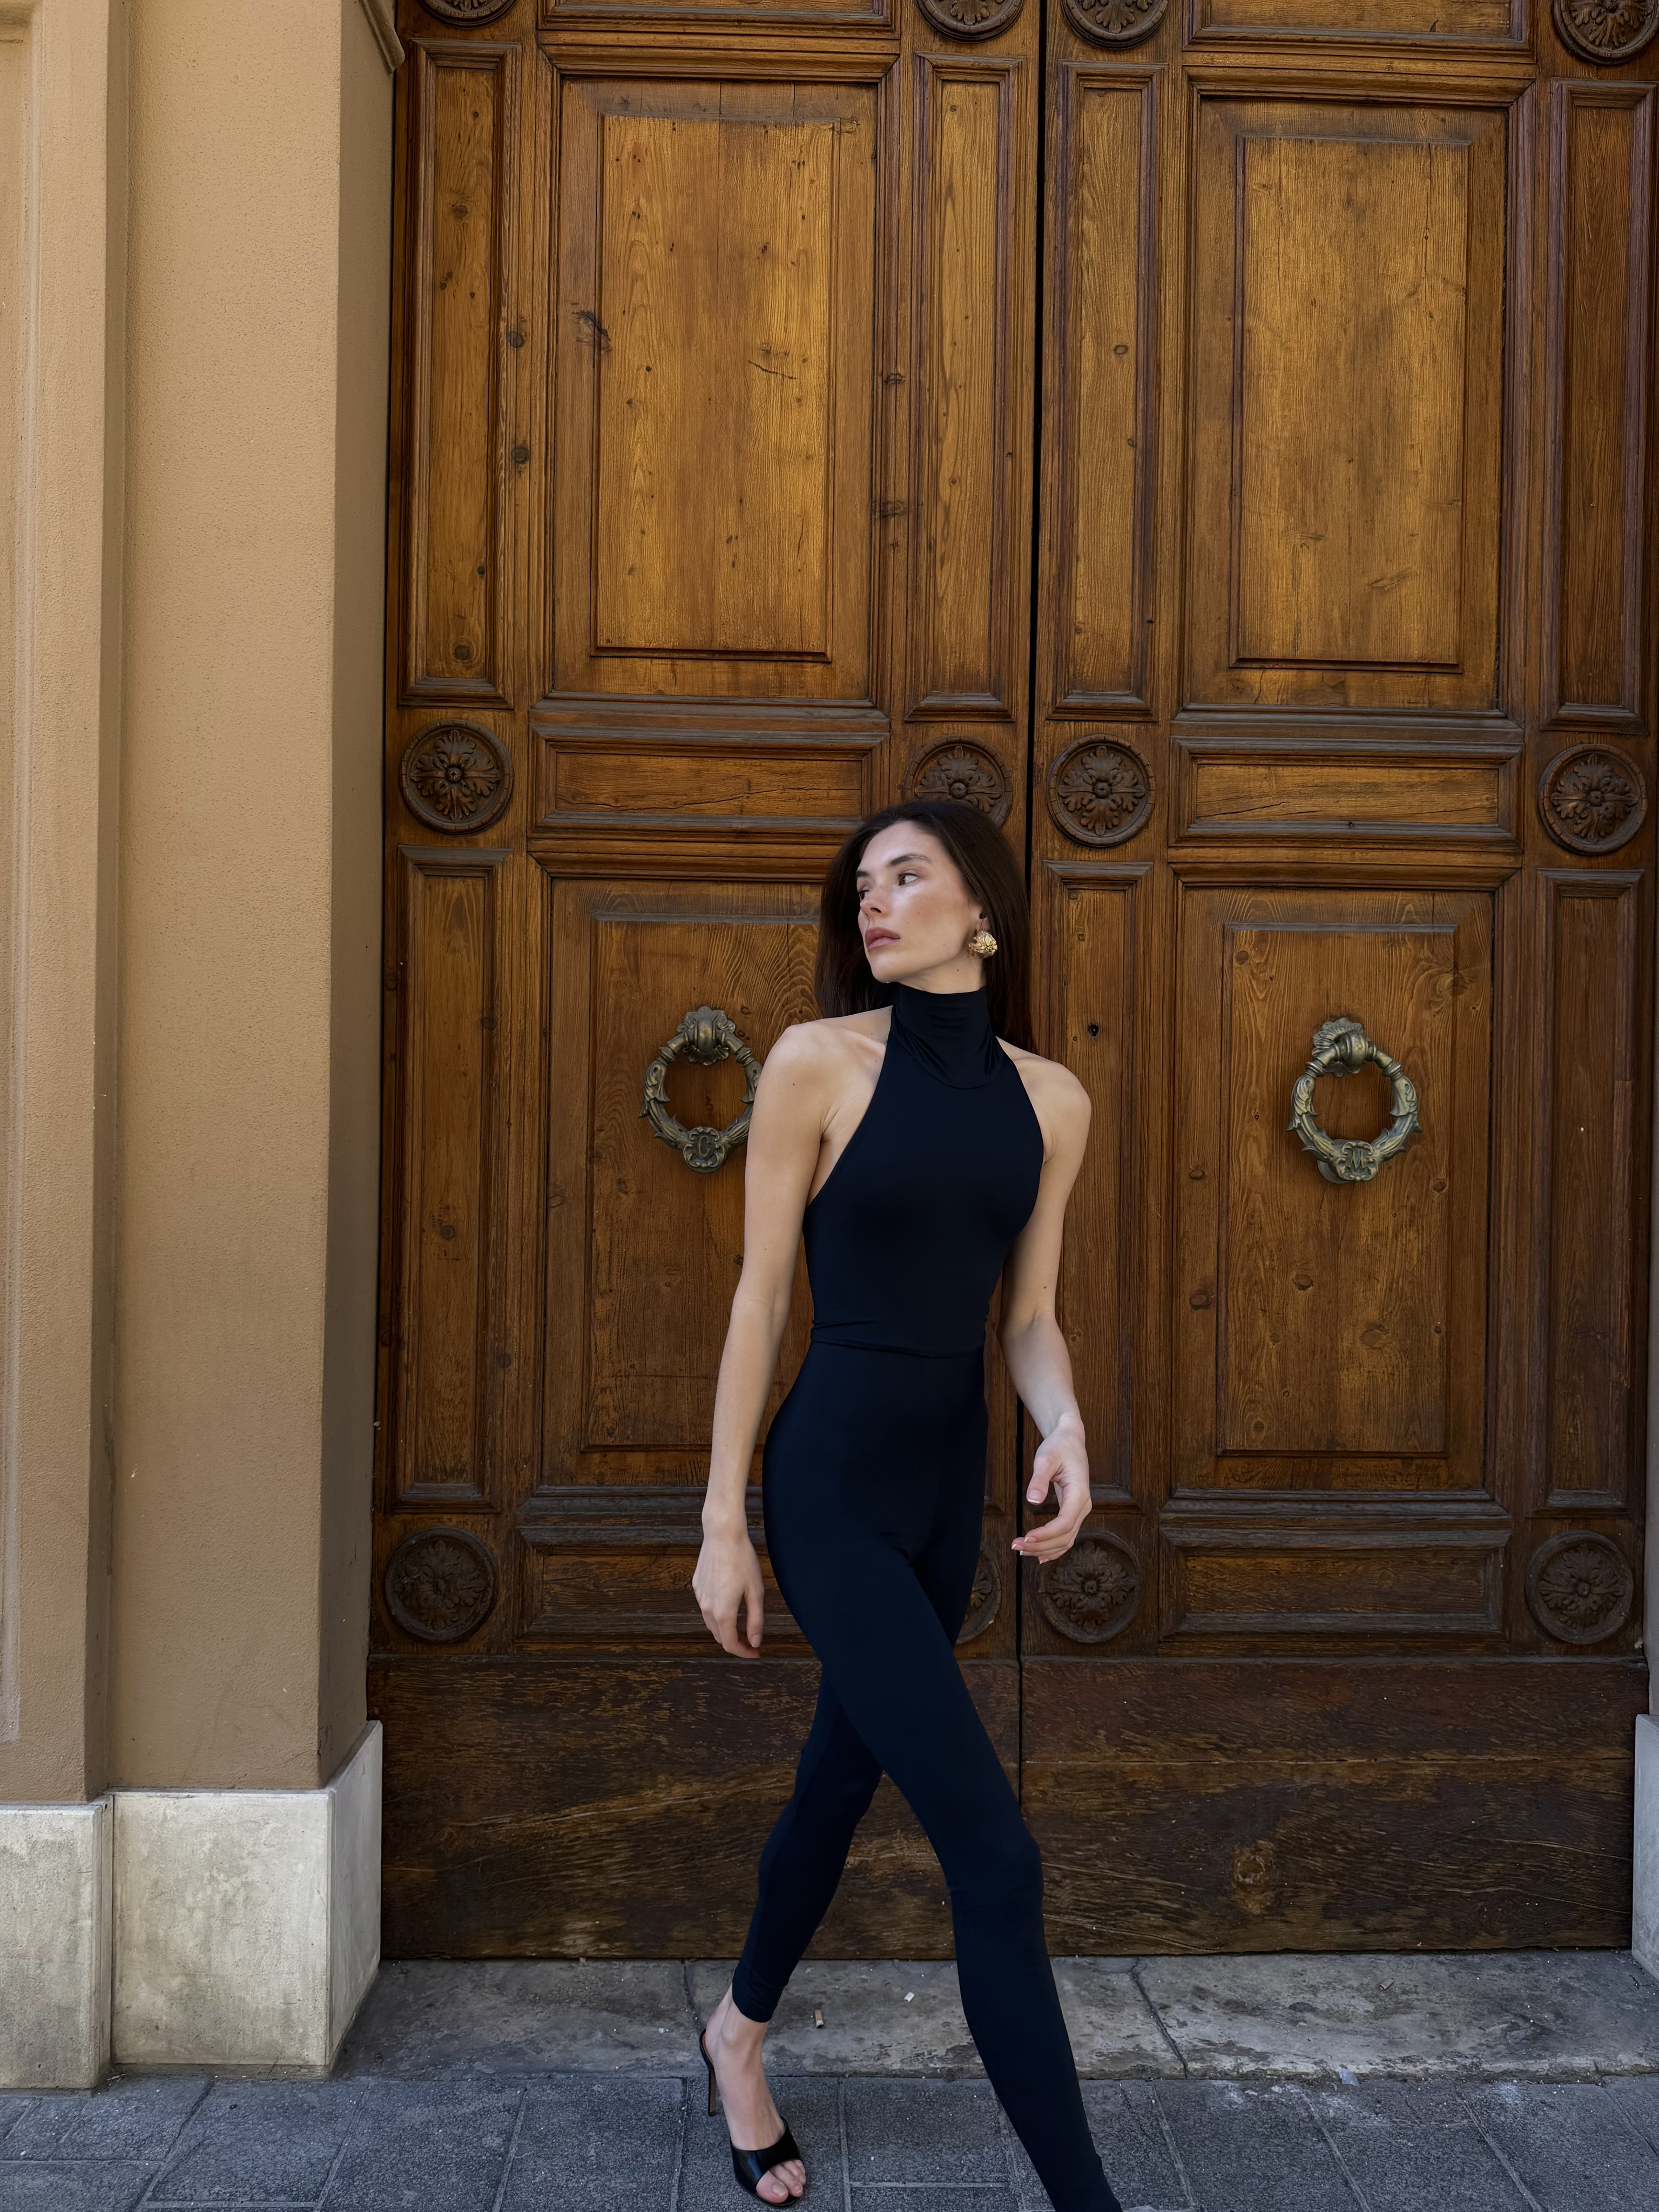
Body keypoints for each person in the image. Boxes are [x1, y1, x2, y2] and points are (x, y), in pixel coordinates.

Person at [691, 798, 1120, 2212]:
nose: (874, 900)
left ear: (981, 912)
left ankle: (738, 2031)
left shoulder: (1052, 1102)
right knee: (996, 1857)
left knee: (838, 1778)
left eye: (907, 874)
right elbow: (759, 1302)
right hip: (833, 1490)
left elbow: (1029, 1317)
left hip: (950, 1495)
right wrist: (724, 1522)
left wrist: (1065, 1428)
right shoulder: (817, 1063)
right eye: (863, 884)